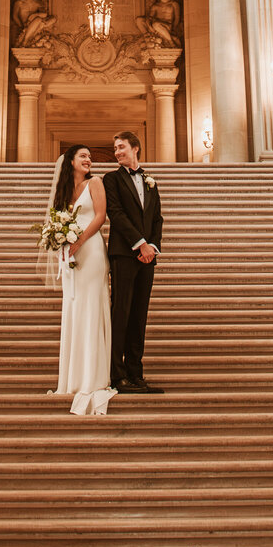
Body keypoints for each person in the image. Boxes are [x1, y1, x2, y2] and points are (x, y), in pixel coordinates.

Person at [47, 144, 116, 418]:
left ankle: (94, 376)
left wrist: (79, 241)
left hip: (92, 251)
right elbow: (56, 221)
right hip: (71, 253)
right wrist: (61, 241)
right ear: (71, 162)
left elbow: (100, 216)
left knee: (91, 307)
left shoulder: (95, 183)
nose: (89, 160)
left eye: (89, 156)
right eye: (83, 156)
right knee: (74, 309)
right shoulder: (63, 190)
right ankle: (74, 377)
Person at [103, 130, 164, 394]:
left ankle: (136, 373)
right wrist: (139, 243)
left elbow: (157, 218)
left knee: (139, 315)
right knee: (122, 313)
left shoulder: (151, 181)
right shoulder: (111, 179)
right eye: (115, 148)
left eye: (121, 147)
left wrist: (152, 247)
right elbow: (115, 213)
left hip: (147, 257)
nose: (117, 152)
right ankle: (117, 375)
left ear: (135, 148)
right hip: (124, 253)